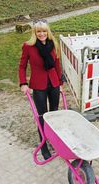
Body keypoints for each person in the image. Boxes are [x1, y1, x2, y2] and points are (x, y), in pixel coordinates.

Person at [19, 19, 63, 160]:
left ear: (47, 31)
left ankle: (54, 141)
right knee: (42, 116)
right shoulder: (28, 46)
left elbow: (57, 64)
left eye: (44, 31)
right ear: (35, 32)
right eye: (39, 31)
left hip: (54, 83)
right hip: (39, 85)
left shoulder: (53, 44)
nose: (42, 34)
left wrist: (60, 82)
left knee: (54, 114)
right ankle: (43, 145)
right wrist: (23, 83)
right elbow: (22, 66)